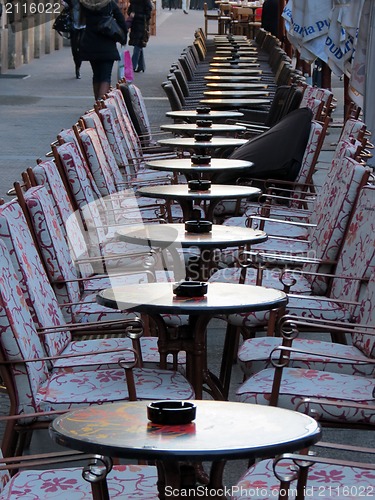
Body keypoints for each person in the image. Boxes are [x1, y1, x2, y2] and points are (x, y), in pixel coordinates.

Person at [79, 0, 127, 99]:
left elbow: (79, 21)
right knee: (106, 76)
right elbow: (121, 21)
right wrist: (122, 37)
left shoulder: (84, 4)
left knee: (96, 75)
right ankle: (101, 103)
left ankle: (97, 103)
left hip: (91, 44)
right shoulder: (109, 4)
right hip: (107, 44)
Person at [127, 0, 153, 73]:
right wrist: (130, 14)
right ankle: (141, 66)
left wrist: (136, 16)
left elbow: (148, 15)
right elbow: (129, 10)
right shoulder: (133, 1)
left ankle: (132, 67)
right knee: (138, 45)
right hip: (135, 26)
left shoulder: (146, 2)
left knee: (137, 46)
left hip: (142, 27)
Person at [63, 0, 86, 79]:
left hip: (84, 27)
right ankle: (77, 66)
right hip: (73, 27)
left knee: (81, 46)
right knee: (74, 49)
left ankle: (78, 65)